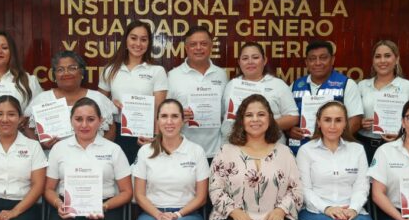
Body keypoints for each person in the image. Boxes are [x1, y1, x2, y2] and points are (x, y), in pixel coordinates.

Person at [99, 20, 168, 163]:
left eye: (143, 39)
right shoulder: (110, 70)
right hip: (116, 132)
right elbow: (98, 105)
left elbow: (159, 109)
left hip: (146, 133)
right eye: (133, 38)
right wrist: (111, 105)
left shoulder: (157, 71)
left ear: (149, 43)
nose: (138, 43)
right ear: (126, 40)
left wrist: (156, 137)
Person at [24, 50, 115, 154]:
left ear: (81, 72)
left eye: (72, 68)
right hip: (52, 157)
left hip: (92, 158)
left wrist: (98, 150)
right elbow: (29, 128)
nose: (66, 73)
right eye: (60, 69)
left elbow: (111, 129)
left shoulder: (97, 98)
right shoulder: (43, 99)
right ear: (54, 75)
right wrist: (41, 145)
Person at [288, 40, 363, 154]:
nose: (318, 63)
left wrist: (331, 137)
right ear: (306, 62)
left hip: (333, 149)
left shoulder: (346, 84)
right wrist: (289, 131)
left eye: (323, 58)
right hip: (299, 148)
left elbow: (355, 121)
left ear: (332, 60)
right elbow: (286, 116)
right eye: (312, 59)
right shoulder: (295, 85)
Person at [167, 25, 228, 162]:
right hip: (182, 150)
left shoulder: (221, 74)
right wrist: (178, 115)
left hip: (216, 152)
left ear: (211, 46)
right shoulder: (173, 76)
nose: (199, 48)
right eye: (193, 44)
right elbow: (164, 113)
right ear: (186, 48)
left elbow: (225, 112)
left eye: (204, 44)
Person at [221, 42, 298, 145]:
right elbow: (223, 114)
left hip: (269, 146)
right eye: (245, 58)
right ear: (239, 62)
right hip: (233, 146)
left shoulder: (278, 84)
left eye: (255, 57)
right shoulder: (231, 84)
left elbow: (293, 117)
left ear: (264, 60)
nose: (250, 62)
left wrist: (264, 124)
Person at [357, 40, 409, 162]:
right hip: (364, 145)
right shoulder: (362, 85)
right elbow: (353, 116)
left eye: (387, 56)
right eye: (378, 56)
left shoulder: (408, 86)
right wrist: (361, 123)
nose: (382, 60)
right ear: (373, 60)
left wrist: (401, 133)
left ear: (397, 59)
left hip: (397, 145)